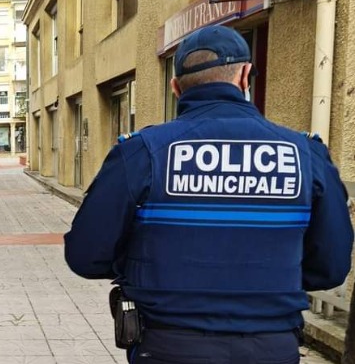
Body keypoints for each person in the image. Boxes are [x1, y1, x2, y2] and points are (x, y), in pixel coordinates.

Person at [64, 25, 353, 364]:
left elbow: (85, 255)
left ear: (175, 87)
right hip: (270, 347)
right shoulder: (305, 155)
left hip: (167, 347)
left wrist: (145, 267)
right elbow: (331, 268)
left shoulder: (143, 152)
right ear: (244, 76)